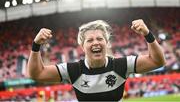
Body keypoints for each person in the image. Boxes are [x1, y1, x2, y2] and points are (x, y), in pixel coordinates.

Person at [27, 19, 166, 101]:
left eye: (100, 39)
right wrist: (36, 44)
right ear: (82, 46)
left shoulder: (122, 65)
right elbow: (36, 74)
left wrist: (147, 34)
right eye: (90, 40)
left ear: (107, 43)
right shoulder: (72, 70)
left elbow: (157, 61)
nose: (96, 43)